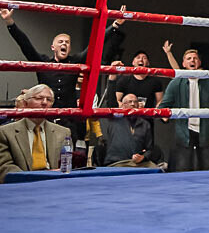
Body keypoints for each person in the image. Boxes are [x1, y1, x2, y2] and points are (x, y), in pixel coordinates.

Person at [1, 7, 125, 141]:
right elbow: (25, 44)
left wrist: (115, 25)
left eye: (67, 42)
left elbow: (95, 45)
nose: (64, 44)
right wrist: (9, 21)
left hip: (69, 120)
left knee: (71, 155)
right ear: (53, 47)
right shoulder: (43, 62)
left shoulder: (75, 62)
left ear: (70, 48)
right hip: (46, 118)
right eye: (61, 42)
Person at [158, 49, 209, 171]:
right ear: (183, 64)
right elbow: (163, 105)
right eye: (189, 58)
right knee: (183, 168)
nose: (192, 60)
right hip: (184, 131)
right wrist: (164, 115)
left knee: (207, 168)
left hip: (206, 130)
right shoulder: (176, 83)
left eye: (195, 58)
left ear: (199, 62)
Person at [0, 84, 71, 183]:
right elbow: (4, 168)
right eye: (39, 98)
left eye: (49, 100)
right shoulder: (5, 132)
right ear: (25, 103)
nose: (44, 102)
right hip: (22, 185)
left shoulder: (63, 132)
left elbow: (67, 166)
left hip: (54, 184)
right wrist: (31, 179)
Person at [99, 94, 161, 168]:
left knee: (156, 169)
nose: (132, 104)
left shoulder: (145, 124)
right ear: (122, 105)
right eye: (129, 102)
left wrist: (143, 157)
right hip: (117, 163)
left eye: (135, 102)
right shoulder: (115, 119)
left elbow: (150, 149)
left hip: (138, 163)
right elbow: (111, 101)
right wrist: (112, 82)